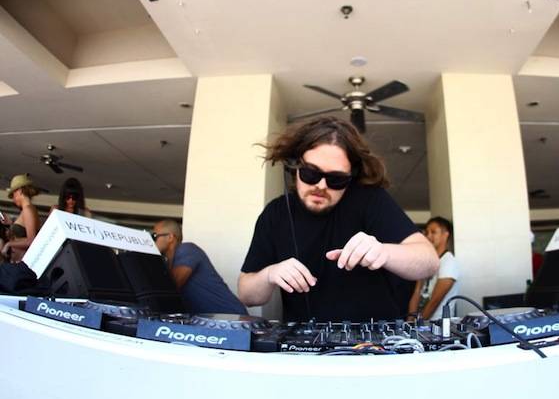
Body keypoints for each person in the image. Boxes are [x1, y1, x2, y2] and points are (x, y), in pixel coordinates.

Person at [238, 116, 438, 322]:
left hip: (373, 337)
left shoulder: (370, 200)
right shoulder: (275, 214)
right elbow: (246, 294)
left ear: (350, 177)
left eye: (336, 179)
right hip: (304, 339)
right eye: (310, 173)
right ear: (294, 168)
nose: (321, 186)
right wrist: (270, 274)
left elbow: (429, 262)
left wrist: (383, 252)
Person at [151, 219, 247, 314]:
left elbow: (170, 287)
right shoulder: (168, 261)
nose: (151, 241)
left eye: (154, 236)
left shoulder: (187, 249)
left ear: (170, 237)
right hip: (211, 319)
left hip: (231, 316)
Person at [407, 217, 460, 320]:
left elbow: (434, 302)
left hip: (438, 325)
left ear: (445, 235)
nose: (428, 236)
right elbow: (417, 292)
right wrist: (410, 321)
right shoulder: (426, 260)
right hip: (419, 322)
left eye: (433, 232)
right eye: (427, 232)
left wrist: (419, 324)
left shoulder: (449, 262)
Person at [1, 174, 41, 263]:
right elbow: (23, 235)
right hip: (18, 260)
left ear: (19, 191)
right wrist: (11, 224)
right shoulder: (27, 209)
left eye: (13, 195)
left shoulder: (28, 209)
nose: (13, 199)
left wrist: (9, 244)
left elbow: (31, 240)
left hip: (23, 262)